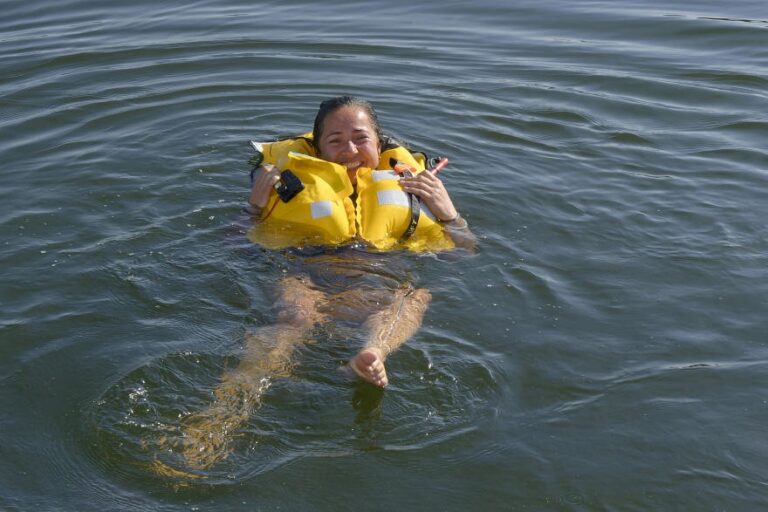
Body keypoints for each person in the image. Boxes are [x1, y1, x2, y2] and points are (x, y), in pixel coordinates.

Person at [175, 96, 475, 470]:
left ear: (379, 145)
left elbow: (463, 253)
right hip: (306, 271)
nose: (349, 149)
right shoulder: (282, 184)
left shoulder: (414, 186)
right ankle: (217, 420)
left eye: (360, 138)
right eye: (335, 141)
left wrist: (451, 215)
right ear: (317, 149)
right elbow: (235, 246)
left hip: (378, 276)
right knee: (295, 320)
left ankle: (371, 354)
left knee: (414, 298)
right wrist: (253, 207)